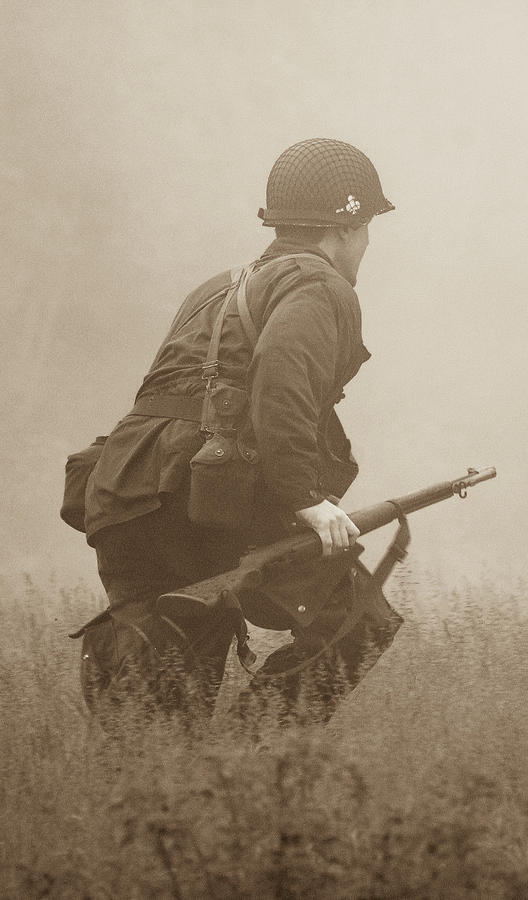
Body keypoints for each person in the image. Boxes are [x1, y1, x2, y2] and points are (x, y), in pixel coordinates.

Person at [76, 137, 401, 728]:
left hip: (126, 494)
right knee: (355, 619)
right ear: (347, 227)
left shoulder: (218, 286)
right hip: (196, 498)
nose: (368, 244)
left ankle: (161, 789)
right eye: (370, 226)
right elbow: (282, 379)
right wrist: (306, 499)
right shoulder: (320, 287)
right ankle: (248, 765)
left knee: (165, 694)